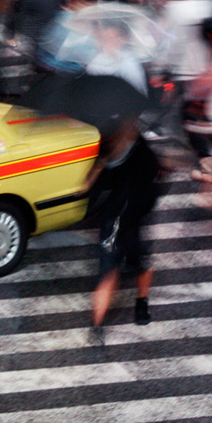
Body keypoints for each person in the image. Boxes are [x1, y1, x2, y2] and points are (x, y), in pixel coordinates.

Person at [83, 119, 161, 340]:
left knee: (111, 271)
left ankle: (98, 326)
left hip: (116, 219)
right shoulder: (142, 150)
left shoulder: (108, 149)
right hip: (130, 218)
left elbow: (89, 186)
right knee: (135, 264)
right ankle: (141, 306)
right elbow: (153, 180)